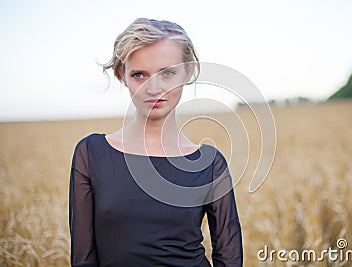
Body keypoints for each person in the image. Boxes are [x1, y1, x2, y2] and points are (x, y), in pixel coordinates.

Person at [69, 18, 243, 267]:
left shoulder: (210, 164)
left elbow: (229, 258)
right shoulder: (91, 154)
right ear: (122, 75)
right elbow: (83, 258)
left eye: (168, 73)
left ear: (188, 72)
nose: (154, 88)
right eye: (139, 74)